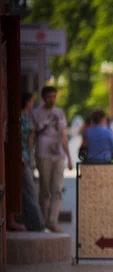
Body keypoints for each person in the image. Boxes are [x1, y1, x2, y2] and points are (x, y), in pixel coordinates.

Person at [30, 86, 73, 233]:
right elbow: (32, 135)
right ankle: (43, 221)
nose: (52, 100)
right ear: (43, 97)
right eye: (49, 97)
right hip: (43, 154)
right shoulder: (36, 114)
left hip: (58, 154)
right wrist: (29, 154)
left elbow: (64, 135)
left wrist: (69, 157)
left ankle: (53, 221)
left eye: (54, 96)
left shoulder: (59, 112)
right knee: (44, 189)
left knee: (58, 189)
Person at [20, 92, 45, 232]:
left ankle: (31, 223)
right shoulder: (20, 117)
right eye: (31, 101)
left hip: (27, 157)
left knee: (29, 190)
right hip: (22, 158)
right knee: (30, 191)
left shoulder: (28, 117)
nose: (32, 104)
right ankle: (38, 224)